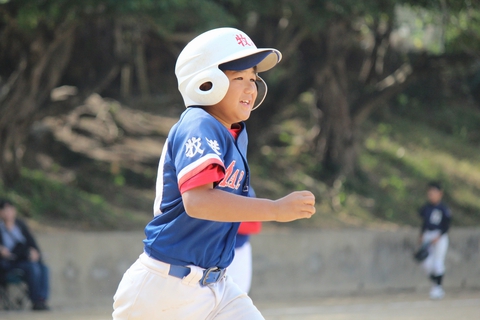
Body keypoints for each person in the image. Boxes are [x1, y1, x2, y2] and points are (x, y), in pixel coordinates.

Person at [112, 27, 316, 319]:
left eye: (254, 78)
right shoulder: (199, 124)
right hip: (164, 289)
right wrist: (275, 209)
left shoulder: (235, 133)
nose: (251, 87)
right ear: (206, 82)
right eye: (240, 78)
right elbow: (198, 202)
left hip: (216, 285)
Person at [0, 199, 50, 311]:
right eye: (4, 210)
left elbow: (33, 244)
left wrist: (35, 253)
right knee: (32, 268)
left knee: (44, 268)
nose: (8, 212)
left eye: (10, 209)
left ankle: (41, 300)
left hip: (24, 259)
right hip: (8, 264)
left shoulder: (21, 226)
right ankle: (36, 301)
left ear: (14, 211)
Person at [418, 181, 451, 300]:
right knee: (426, 263)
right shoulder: (426, 207)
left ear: (440, 193)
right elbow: (424, 222)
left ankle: (438, 288)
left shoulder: (443, 208)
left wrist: (439, 236)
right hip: (428, 235)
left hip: (439, 236)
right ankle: (436, 285)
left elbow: (447, 225)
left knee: (438, 263)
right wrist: (422, 234)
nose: (431, 195)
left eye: (434, 193)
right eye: (429, 193)